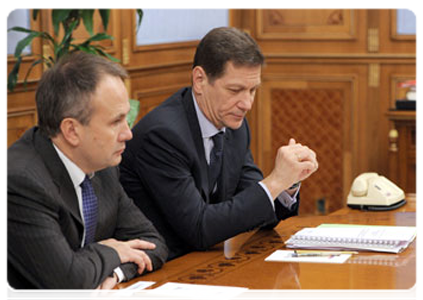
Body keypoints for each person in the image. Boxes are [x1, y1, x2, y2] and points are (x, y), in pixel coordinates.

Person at [119, 27, 318, 260]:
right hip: (159, 269)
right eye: (235, 90)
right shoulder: (163, 136)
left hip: (204, 262)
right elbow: (199, 228)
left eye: (253, 90)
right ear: (200, 80)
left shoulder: (234, 126)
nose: (247, 104)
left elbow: (256, 208)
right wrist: (275, 181)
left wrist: (288, 183)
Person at [5, 52, 168, 300]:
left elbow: (152, 243)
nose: (128, 133)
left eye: (127, 118)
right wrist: (110, 250)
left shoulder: (103, 164)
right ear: (71, 130)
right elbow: (68, 282)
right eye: (116, 122)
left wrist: (116, 272)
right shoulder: (20, 182)